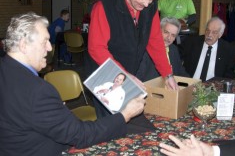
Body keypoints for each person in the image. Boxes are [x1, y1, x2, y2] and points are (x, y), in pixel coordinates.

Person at [0, 12, 145, 156]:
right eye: (45, 42)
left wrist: (53, 111)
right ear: (24, 45)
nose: (50, 48)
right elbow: (81, 135)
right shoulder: (38, 91)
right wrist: (125, 115)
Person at [88, 0, 178, 90]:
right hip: (106, 75)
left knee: (136, 108)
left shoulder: (150, 7)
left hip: (130, 73)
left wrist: (167, 74)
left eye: (151, 0)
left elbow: (155, 41)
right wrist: (123, 75)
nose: (146, 4)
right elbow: (96, 49)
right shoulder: (105, 6)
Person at [180, 17, 235, 81]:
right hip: (190, 85)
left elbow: (229, 76)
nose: (209, 35)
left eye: (214, 32)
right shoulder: (191, 42)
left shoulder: (228, 50)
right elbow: (176, 59)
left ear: (220, 34)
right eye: (208, 30)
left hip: (213, 88)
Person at [136, 17, 189, 81]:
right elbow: (138, 78)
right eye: (166, 32)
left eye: (173, 35)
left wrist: (194, 85)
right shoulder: (146, 49)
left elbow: (181, 72)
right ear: (158, 31)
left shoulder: (173, 49)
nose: (169, 38)